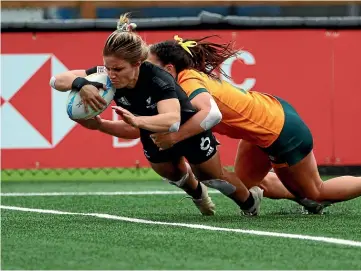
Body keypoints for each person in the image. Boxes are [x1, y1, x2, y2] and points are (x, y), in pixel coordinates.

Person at [146, 35, 361, 212]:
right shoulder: (182, 79)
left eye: (151, 66)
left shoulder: (188, 80)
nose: (147, 72)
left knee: (316, 193)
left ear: (170, 69)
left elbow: (211, 116)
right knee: (245, 186)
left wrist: (174, 138)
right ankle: (298, 194)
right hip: (267, 122)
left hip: (281, 132)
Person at [50, 14, 263, 217]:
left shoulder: (158, 80)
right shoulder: (106, 75)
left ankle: (250, 203)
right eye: (107, 67)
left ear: (137, 64)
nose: (111, 75)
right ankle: (198, 195)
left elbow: (172, 120)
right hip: (151, 131)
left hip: (187, 129)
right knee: (173, 173)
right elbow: (56, 80)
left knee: (213, 177)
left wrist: (137, 121)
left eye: (117, 69)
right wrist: (82, 84)